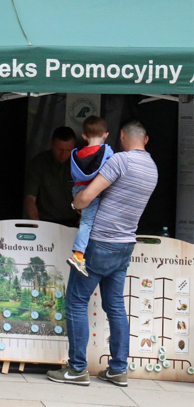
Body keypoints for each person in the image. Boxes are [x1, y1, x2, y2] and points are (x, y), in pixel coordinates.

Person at [48, 120, 158, 388]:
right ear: (145, 139)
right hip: (125, 244)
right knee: (115, 306)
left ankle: (77, 369)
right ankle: (118, 369)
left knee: (76, 302)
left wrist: (75, 203)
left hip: (99, 242)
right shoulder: (152, 167)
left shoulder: (120, 161)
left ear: (121, 136)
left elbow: (87, 196)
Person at [67, 116, 114, 276]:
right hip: (92, 192)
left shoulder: (76, 154)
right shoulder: (106, 151)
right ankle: (78, 256)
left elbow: (74, 175)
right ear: (106, 135)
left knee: (85, 221)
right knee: (87, 224)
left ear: (84, 136)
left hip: (78, 190)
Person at [24, 127, 78, 226]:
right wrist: (36, 223)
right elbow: (30, 198)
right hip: (45, 222)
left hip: (73, 222)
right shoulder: (38, 163)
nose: (63, 154)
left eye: (68, 150)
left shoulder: (79, 164)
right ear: (51, 144)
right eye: (59, 149)